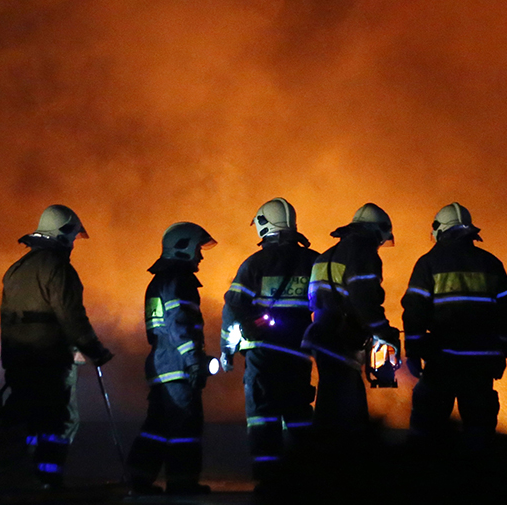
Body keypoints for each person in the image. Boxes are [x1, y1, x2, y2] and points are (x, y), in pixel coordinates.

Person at [0, 204, 114, 489]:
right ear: (63, 234)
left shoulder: (15, 270)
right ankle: (49, 479)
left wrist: (9, 359)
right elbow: (72, 317)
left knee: (26, 420)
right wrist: (94, 349)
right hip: (51, 362)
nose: (73, 244)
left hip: (18, 361)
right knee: (60, 421)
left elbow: (7, 319)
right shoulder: (60, 270)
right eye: (73, 237)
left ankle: (21, 477)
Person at [220, 197, 319, 492]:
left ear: (264, 224)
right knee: (298, 413)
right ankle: (304, 474)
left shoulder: (254, 264)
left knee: (262, 417)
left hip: (262, 356)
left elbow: (233, 308)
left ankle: (268, 478)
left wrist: (227, 350)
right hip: (298, 354)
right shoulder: (313, 261)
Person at [402, 202, 507, 451]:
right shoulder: (491, 264)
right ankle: (477, 474)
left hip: (442, 361)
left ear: (440, 229)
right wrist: (500, 353)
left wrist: (413, 352)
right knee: (479, 433)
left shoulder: (428, 263)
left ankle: (425, 472)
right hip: (480, 365)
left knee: (427, 431)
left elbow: (414, 312)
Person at [127, 222, 217, 496]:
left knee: (157, 426)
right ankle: (182, 482)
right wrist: (193, 360)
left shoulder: (159, 282)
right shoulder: (180, 281)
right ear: (183, 247)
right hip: (178, 367)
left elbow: (158, 330)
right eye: (198, 249)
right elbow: (180, 323)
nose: (200, 256)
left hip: (161, 365)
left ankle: (139, 478)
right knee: (186, 426)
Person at [302, 203, 400, 450]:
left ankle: (322, 458)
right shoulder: (363, 253)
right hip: (342, 340)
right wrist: (384, 332)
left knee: (329, 401)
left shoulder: (326, 255)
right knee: (349, 408)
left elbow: (313, 301)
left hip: (321, 336)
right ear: (377, 232)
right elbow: (364, 299)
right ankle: (348, 461)